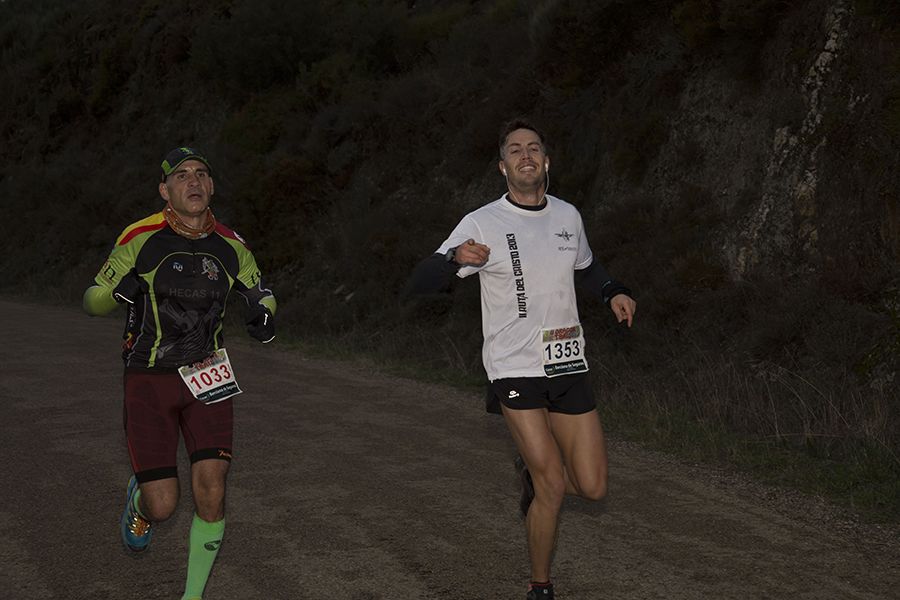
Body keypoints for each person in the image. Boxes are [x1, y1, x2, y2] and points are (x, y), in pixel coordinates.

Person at [405, 120, 636, 599]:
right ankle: (540, 586)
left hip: (567, 363)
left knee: (592, 486)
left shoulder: (568, 215)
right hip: (514, 367)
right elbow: (420, 281)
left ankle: (531, 473)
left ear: (546, 162)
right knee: (553, 484)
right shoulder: (482, 221)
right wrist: (454, 258)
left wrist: (613, 291)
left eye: (533, 148)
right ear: (502, 167)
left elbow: (587, 267)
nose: (525, 155)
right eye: (515, 150)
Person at [83, 147, 277, 600]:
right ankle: (141, 501)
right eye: (182, 175)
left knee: (212, 489)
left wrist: (265, 313)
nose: (194, 181)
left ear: (211, 187)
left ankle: (192, 597)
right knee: (164, 505)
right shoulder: (140, 237)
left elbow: (261, 292)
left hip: (209, 372)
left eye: (202, 174)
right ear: (165, 190)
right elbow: (92, 299)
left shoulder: (232, 245)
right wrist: (118, 293)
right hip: (149, 376)